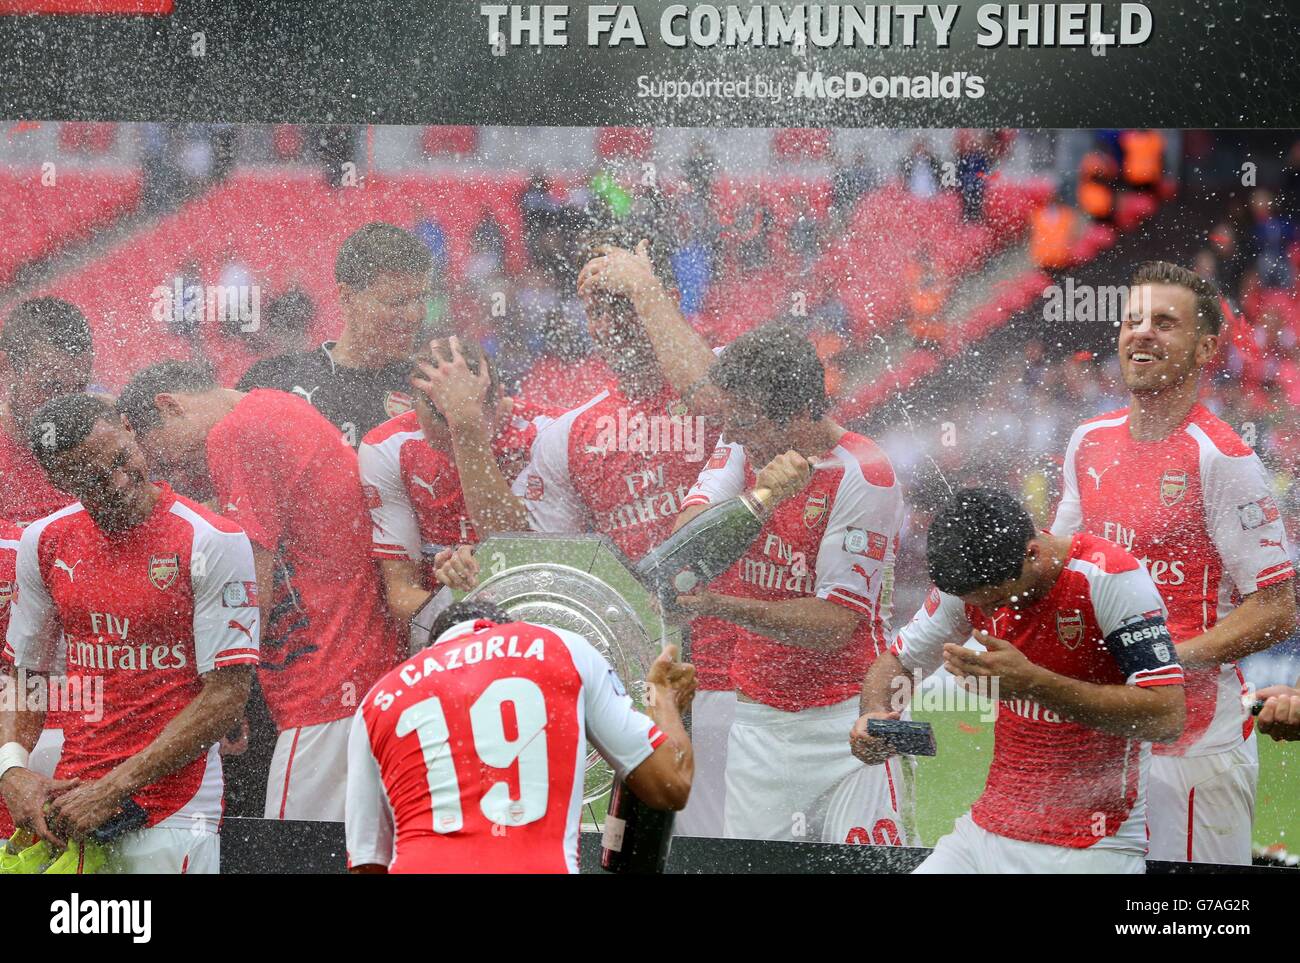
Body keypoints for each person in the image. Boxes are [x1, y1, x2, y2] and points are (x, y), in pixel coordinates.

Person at [1050, 261, 1297, 865]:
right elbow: (1061, 567)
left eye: (1165, 322)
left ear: (1206, 346)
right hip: (1103, 740)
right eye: (1133, 319)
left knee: (1193, 927)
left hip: (1194, 748)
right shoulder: (1088, 440)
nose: (1143, 333)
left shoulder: (1224, 459)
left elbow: (1279, 610)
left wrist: (1164, 659)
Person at [117, 360, 400, 821]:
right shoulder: (272, 408)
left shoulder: (236, 433)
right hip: (358, 671)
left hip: (326, 685)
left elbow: (250, 591)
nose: (172, 469)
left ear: (168, 407)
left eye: (162, 455)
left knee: (291, 854)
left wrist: (225, 697)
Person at [853, 488, 1186, 874]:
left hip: (1090, 845)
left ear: (1033, 553)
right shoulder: (975, 578)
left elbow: (1167, 716)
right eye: (978, 604)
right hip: (983, 835)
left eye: (999, 600)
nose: (990, 613)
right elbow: (899, 662)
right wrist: (874, 718)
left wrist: (1033, 684)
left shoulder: (1109, 578)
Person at [0, 394, 259, 873]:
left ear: (128, 427)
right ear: (60, 482)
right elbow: (26, 675)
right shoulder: (45, 540)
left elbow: (227, 696)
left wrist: (115, 786)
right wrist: (12, 769)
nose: (118, 482)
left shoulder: (211, 538)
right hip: (73, 803)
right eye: (94, 479)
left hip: (174, 808)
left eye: (122, 459)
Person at [344, 589, 697, 874]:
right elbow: (670, 785)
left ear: (432, 648)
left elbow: (367, 864)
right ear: (509, 625)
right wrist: (662, 698)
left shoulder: (379, 699)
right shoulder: (561, 647)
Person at [358, 338, 556, 626]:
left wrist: (467, 427)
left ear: (500, 401)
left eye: (461, 441)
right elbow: (401, 595)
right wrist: (460, 604)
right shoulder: (388, 446)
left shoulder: (546, 433)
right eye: (441, 446)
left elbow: (525, 559)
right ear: (414, 409)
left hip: (537, 617)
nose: (456, 460)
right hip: (447, 631)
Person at [238, 222, 434, 447]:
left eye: (420, 299)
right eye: (397, 302)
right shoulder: (274, 379)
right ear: (348, 297)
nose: (412, 316)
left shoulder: (432, 389)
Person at [0, 297, 94, 524]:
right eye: (51, 386)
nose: (66, 406)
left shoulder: (104, 442)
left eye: (79, 388)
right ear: (6, 369)